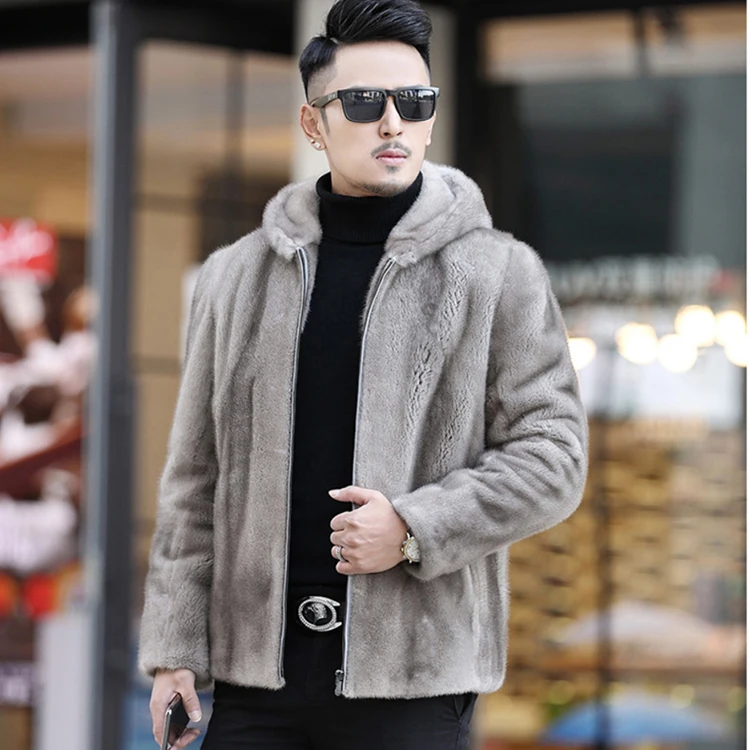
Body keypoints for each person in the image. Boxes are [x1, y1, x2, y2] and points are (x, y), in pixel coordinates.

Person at [139, 0, 589, 748]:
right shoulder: (234, 278)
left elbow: (554, 457)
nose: (392, 123)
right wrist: (174, 651)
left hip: (411, 685)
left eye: (415, 103)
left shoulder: (498, 273)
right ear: (313, 123)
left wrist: (413, 528)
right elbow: (195, 478)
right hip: (256, 690)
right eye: (363, 103)